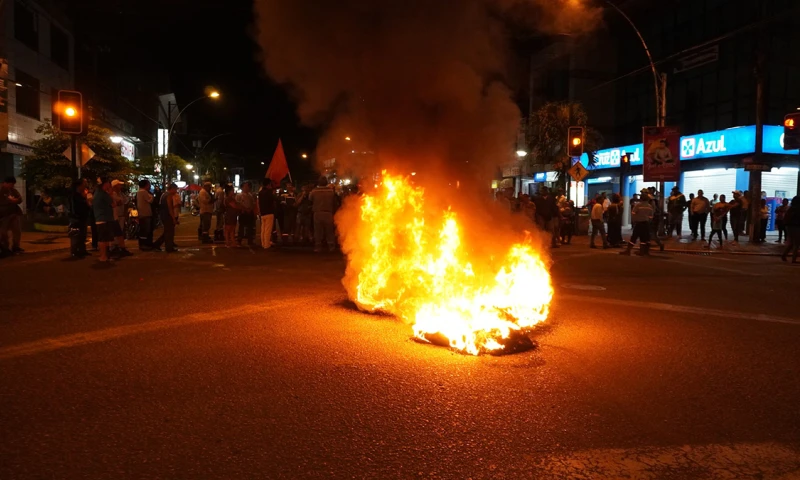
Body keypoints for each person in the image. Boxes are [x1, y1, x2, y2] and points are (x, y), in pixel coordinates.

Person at [92, 178, 117, 262]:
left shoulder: (97, 193)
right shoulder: (103, 194)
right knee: (103, 239)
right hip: (104, 219)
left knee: (104, 239)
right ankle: (103, 256)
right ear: (105, 184)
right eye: (108, 183)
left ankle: (105, 256)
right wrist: (110, 194)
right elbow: (113, 204)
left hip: (101, 218)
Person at [309, 176, 337, 252]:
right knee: (329, 231)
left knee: (318, 231)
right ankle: (331, 246)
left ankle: (318, 247)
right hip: (328, 213)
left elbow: (310, 199)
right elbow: (334, 201)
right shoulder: (331, 191)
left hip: (317, 213)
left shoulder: (314, 191)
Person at [0, 176, 24, 255]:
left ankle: (16, 246)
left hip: (14, 213)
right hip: (3, 215)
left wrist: (15, 200)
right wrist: (9, 201)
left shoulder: (13, 190)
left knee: (17, 231)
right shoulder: (1, 190)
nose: (12, 186)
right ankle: (5, 248)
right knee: (3, 232)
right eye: (11, 184)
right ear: (5, 183)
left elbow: (20, 199)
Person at [67, 179, 90, 259]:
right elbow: (74, 208)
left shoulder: (81, 195)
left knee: (82, 235)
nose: (85, 186)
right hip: (76, 218)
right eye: (83, 184)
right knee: (76, 235)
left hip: (82, 217)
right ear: (79, 186)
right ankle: (75, 251)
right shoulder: (74, 195)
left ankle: (82, 250)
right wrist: (75, 216)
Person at [152, 183, 179, 253]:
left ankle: (157, 244)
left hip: (163, 215)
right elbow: (170, 208)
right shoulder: (168, 196)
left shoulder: (163, 195)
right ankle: (169, 247)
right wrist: (173, 218)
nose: (176, 191)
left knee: (167, 232)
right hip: (167, 216)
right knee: (169, 232)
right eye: (175, 189)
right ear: (172, 189)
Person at [236, 181, 257, 246]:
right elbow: (238, 204)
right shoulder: (239, 195)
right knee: (241, 227)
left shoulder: (250, 195)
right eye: (245, 186)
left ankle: (250, 240)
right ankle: (239, 240)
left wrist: (251, 209)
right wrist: (245, 209)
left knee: (250, 227)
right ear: (242, 187)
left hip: (250, 213)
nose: (247, 188)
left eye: (248, 186)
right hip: (243, 213)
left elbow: (253, 204)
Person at [258, 179, 277, 249]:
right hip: (269, 212)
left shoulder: (260, 192)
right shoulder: (269, 192)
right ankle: (266, 244)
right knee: (268, 230)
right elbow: (275, 199)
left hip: (263, 212)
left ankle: (263, 243)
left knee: (263, 229)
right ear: (268, 185)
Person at [136, 180, 155, 249]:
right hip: (145, 213)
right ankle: (144, 245)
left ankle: (144, 244)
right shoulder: (143, 192)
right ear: (146, 185)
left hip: (142, 213)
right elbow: (150, 200)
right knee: (145, 230)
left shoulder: (139, 192)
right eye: (149, 184)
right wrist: (152, 196)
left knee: (144, 229)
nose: (150, 186)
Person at [781, 196, 800, 263]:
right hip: (796, 226)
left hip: (789, 226)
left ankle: (784, 255)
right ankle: (793, 259)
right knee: (796, 243)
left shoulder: (791, 209)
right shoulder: (797, 209)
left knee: (792, 242)